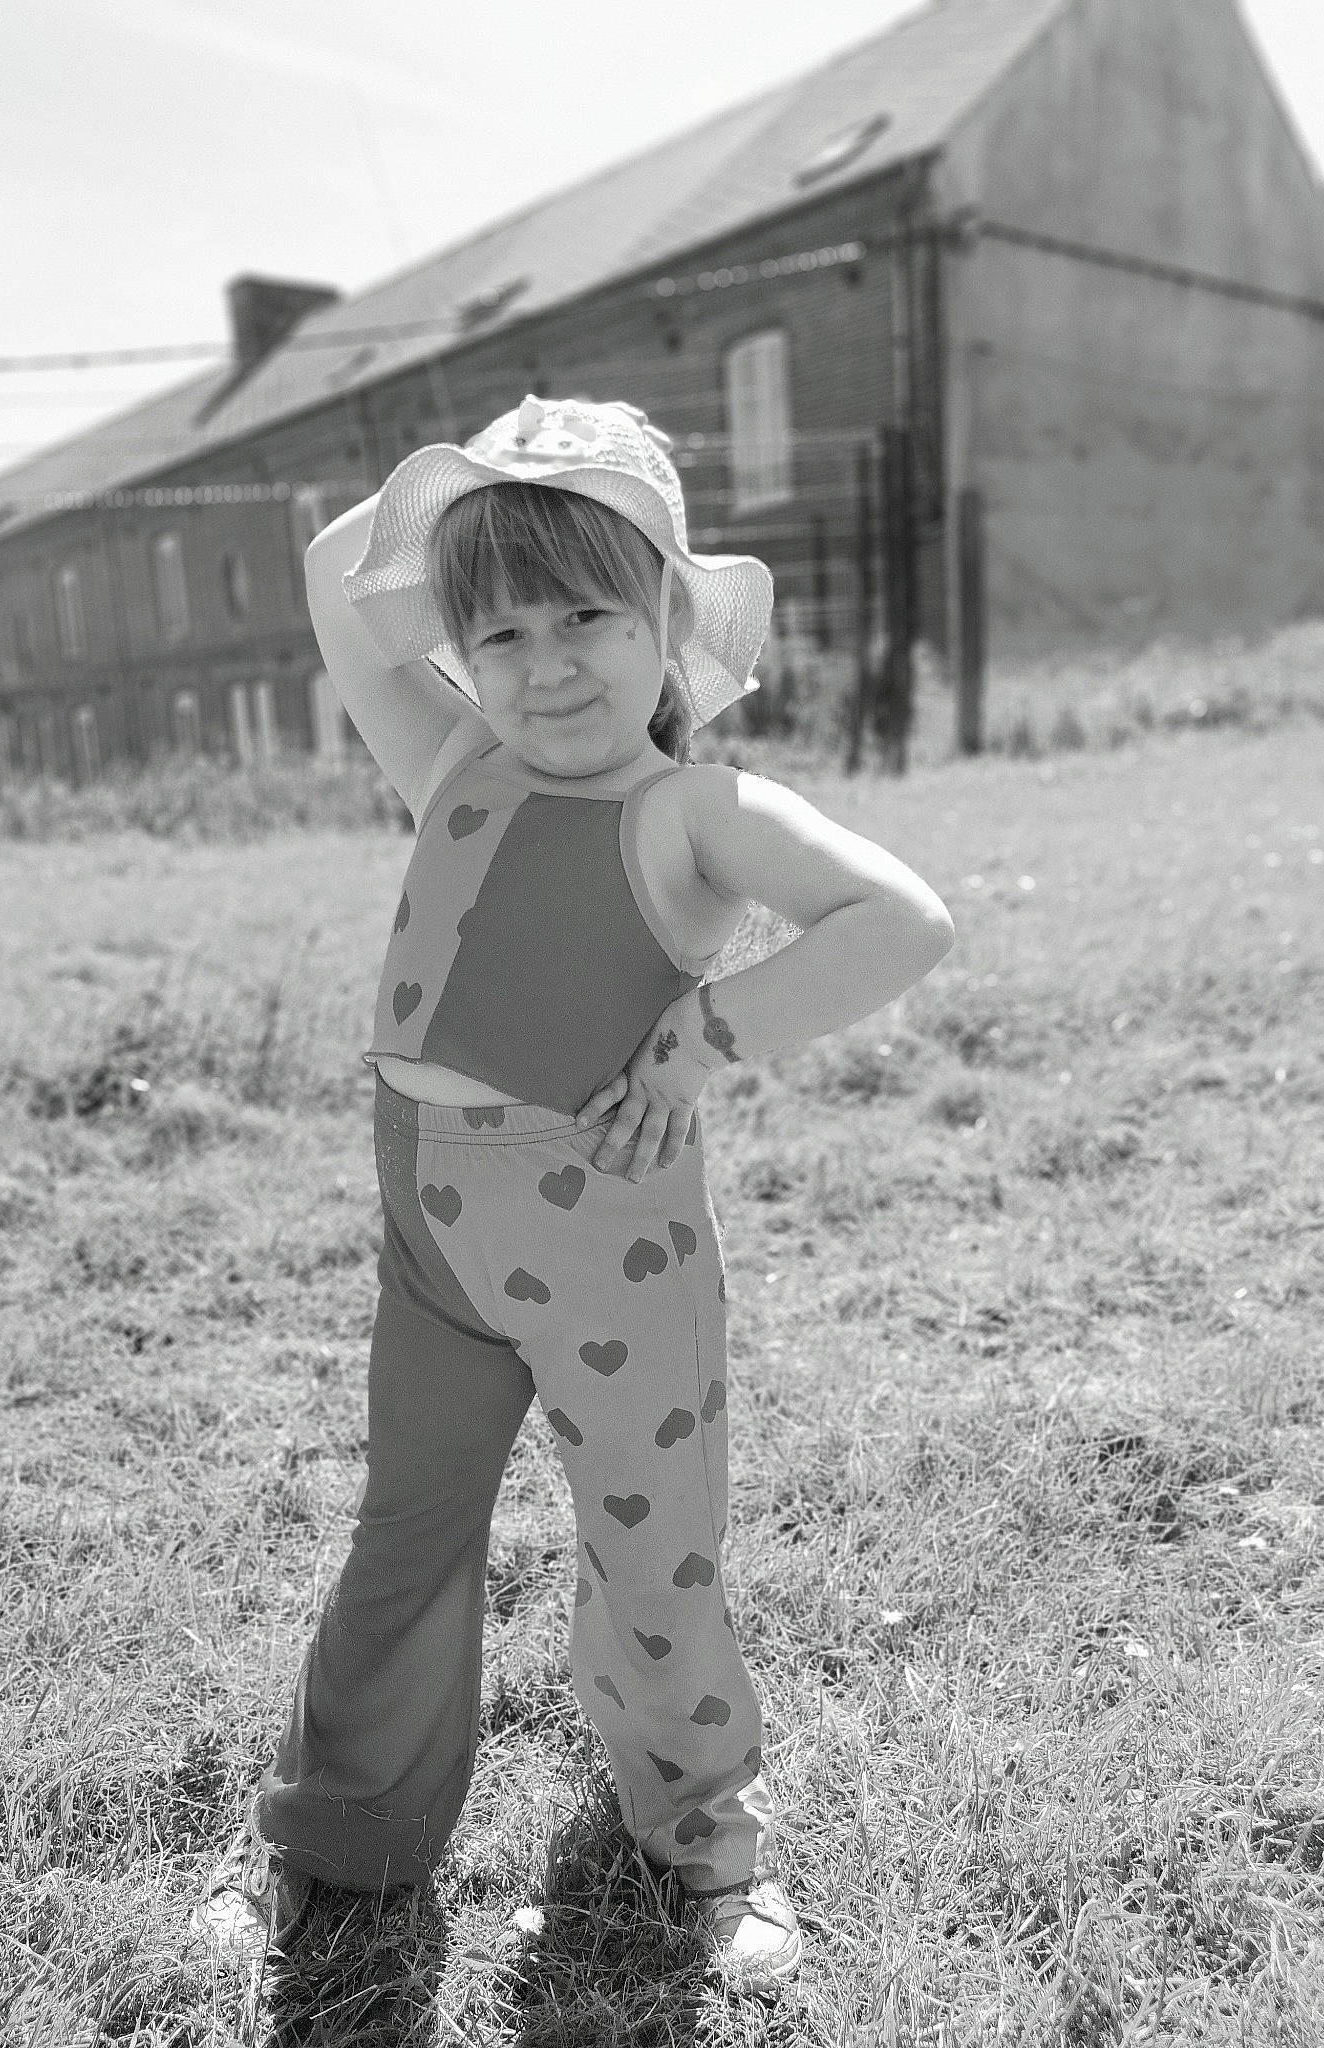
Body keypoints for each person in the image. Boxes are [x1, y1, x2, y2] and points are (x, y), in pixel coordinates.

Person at [192, 395, 954, 1990]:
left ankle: (712, 1852)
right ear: (463, 653)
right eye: (504, 627)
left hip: (611, 1249)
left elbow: (903, 922)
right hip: (435, 1243)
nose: (547, 665)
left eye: (592, 614)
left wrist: (709, 1029)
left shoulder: (695, 809)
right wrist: (495, 462)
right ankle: (337, 1842)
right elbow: (342, 581)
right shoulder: (459, 753)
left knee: (652, 1553)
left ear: (670, 616)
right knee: (405, 1536)